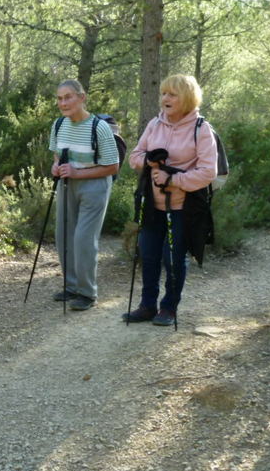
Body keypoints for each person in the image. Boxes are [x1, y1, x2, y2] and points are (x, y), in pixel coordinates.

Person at [122, 74, 217, 327]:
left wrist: (173, 180)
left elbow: (208, 172)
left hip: (183, 208)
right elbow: (134, 156)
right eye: (164, 93)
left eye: (172, 94)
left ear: (186, 98)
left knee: (172, 258)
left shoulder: (201, 129)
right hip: (152, 205)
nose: (165, 98)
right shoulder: (155, 124)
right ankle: (147, 305)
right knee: (149, 254)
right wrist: (148, 161)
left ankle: (169, 307)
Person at [48, 79, 119, 311]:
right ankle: (71, 287)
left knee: (83, 239)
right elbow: (57, 156)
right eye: (59, 98)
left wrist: (77, 172)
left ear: (82, 97)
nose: (63, 103)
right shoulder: (58, 125)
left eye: (68, 97)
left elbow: (112, 166)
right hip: (67, 184)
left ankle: (87, 293)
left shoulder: (99, 127)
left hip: (95, 186)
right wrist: (56, 166)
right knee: (64, 236)